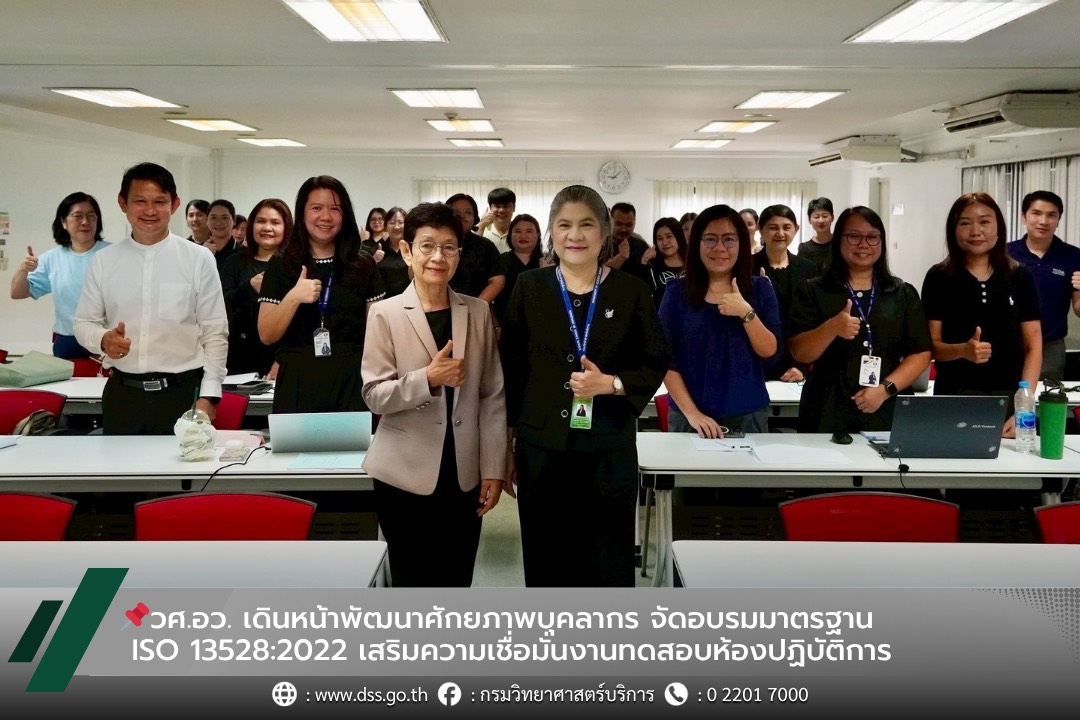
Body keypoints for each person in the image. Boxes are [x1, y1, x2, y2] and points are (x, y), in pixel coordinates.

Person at [500, 184, 669, 587]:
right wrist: (505, 445)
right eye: (564, 225)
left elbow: (655, 360)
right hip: (540, 449)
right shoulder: (529, 286)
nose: (574, 235)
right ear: (552, 232)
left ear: (604, 232)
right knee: (546, 559)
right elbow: (511, 370)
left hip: (608, 448)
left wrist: (611, 383)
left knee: (607, 562)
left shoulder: (631, 290)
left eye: (586, 225)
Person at [361, 202, 507, 587]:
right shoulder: (385, 313)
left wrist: (494, 467)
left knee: (456, 579)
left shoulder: (477, 312)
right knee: (412, 583)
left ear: (459, 254)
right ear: (407, 251)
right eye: (427, 246)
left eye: (448, 247)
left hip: (463, 474)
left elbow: (492, 396)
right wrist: (427, 379)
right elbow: (374, 395)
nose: (438, 257)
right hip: (403, 474)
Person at [73, 162, 228, 434]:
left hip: (182, 395)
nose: (150, 211)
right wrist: (103, 339)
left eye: (159, 201)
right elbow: (83, 323)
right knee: (119, 463)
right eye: (140, 201)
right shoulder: (104, 260)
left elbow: (215, 332)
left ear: (175, 204)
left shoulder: (198, 258)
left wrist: (209, 396)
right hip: (123, 394)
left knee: (181, 464)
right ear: (123, 203)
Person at [789, 206, 931, 434]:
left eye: (872, 237)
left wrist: (885, 389)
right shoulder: (813, 289)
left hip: (886, 405)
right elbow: (801, 353)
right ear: (838, 240)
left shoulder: (902, 293)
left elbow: (920, 353)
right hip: (827, 407)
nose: (864, 244)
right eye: (854, 236)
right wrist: (831, 328)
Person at [258, 176, 385, 413]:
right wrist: (294, 297)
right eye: (316, 208)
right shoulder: (282, 264)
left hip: (352, 381)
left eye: (335, 209)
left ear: (345, 215)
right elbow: (267, 334)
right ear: (302, 213)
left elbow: (380, 334)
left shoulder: (363, 264)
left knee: (351, 440)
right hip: (297, 381)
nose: (326, 217)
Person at [922, 193, 1041, 437]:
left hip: (1009, 400)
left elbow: (1034, 347)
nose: (975, 231)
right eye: (965, 223)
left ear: (999, 227)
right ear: (953, 230)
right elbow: (930, 346)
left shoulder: (1019, 275)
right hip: (953, 396)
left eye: (984, 221)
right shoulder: (939, 277)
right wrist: (962, 351)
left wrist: (1024, 407)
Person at [659, 204, 781, 436]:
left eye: (729, 239)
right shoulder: (676, 292)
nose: (719, 248)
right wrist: (692, 414)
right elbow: (665, 360)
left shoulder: (760, 289)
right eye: (710, 239)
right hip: (689, 417)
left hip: (747, 414)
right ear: (697, 243)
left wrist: (746, 313)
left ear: (741, 244)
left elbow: (770, 351)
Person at [10, 192, 110, 359]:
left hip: (105, 339)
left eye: (91, 216)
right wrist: (23, 269)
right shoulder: (51, 258)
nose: (85, 222)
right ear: (63, 222)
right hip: (67, 340)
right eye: (78, 216)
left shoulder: (112, 254)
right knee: (65, 377)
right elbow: (18, 293)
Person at [1006, 190, 1080, 382]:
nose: (1043, 221)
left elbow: (1078, 308)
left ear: (1058, 220)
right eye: (1036, 213)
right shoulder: (1004, 253)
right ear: (1023, 216)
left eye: (1051, 215)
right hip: (1006, 344)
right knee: (1003, 395)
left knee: (1045, 398)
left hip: (1050, 347)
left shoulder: (1073, 256)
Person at [220, 198, 292, 377]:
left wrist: (283, 358)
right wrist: (249, 288)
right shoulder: (234, 261)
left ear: (287, 227)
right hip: (238, 358)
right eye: (261, 221)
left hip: (281, 358)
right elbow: (220, 304)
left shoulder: (294, 265)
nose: (267, 228)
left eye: (275, 222)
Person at [752, 204, 817, 382]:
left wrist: (802, 365)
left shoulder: (808, 269)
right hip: (755, 361)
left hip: (796, 362)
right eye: (773, 227)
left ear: (796, 229)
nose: (780, 233)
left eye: (787, 227)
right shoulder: (747, 267)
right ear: (760, 230)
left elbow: (813, 321)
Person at [446, 193, 505, 303]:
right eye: (456, 212)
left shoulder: (485, 245)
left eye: (468, 212)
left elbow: (497, 281)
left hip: (476, 306)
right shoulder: (436, 242)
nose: (462, 216)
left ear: (475, 218)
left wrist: (476, 307)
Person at [493, 213, 543, 324]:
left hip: (540, 324)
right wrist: (496, 326)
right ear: (510, 234)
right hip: (505, 325)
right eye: (518, 231)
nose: (523, 236)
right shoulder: (499, 261)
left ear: (538, 235)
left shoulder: (546, 262)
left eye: (529, 231)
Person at [643, 217, 686, 306]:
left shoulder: (693, 263)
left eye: (669, 236)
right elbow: (645, 293)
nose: (664, 242)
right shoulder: (653, 265)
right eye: (660, 238)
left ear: (678, 236)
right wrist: (644, 263)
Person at [370, 206, 411, 298]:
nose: (396, 226)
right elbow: (367, 279)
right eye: (392, 222)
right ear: (385, 227)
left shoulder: (413, 248)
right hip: (384, 301)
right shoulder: (376, 250)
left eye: (401, 222)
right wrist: (373, 262)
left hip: (410, 300)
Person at [605, 202, 649, 280]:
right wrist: (620, 257)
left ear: (634, 223)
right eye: (618, 224)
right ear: (610, 222)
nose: (623, 229)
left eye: (628, 225)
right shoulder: (600, 243)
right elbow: (597, 273)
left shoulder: (641, 245)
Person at [797, 197, 834, 275]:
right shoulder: (805, 249)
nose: (821, 220)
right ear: (809, 220)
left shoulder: (841, 243)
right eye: (816, 217)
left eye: (825, 216)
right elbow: (801, 276)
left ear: (832, 217)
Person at [477, 187, 516, 253]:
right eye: (497, 206)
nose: (501, 210)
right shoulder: (481, 229)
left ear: (514, 207)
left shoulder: (519, 231)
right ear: (490, 208)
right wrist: (481, 226)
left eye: (506, 206)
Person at [205, 198, 238, 271]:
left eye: (224, 218)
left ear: (234, 220)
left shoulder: (244, 253)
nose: (219, 223)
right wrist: (203, 253)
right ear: (207, 220)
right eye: (214, 218)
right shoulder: (200, 251)